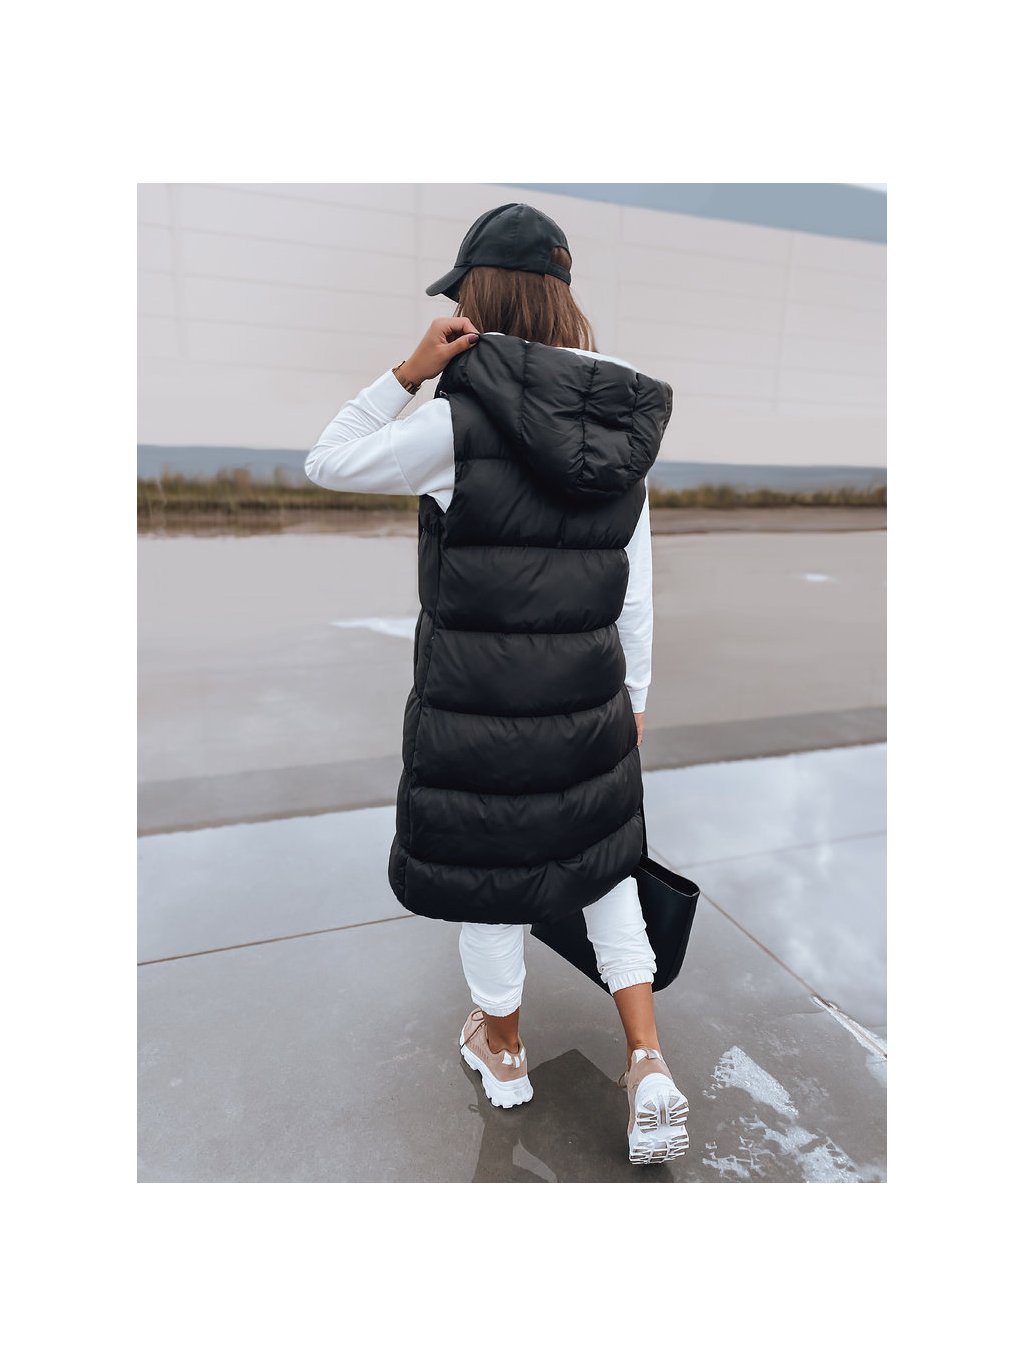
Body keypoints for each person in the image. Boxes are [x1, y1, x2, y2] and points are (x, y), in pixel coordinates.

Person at [305, 203, 689, 1165]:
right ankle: (647, 1061)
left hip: (481, 710)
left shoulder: (454, 421)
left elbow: (327, 460)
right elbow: (637, 586)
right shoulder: (619, 424)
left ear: (477, 298)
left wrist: (406, 373)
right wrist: (637, 698)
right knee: (605, 868)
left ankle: (505, 1052)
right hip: (592, 702)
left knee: (493, 880)